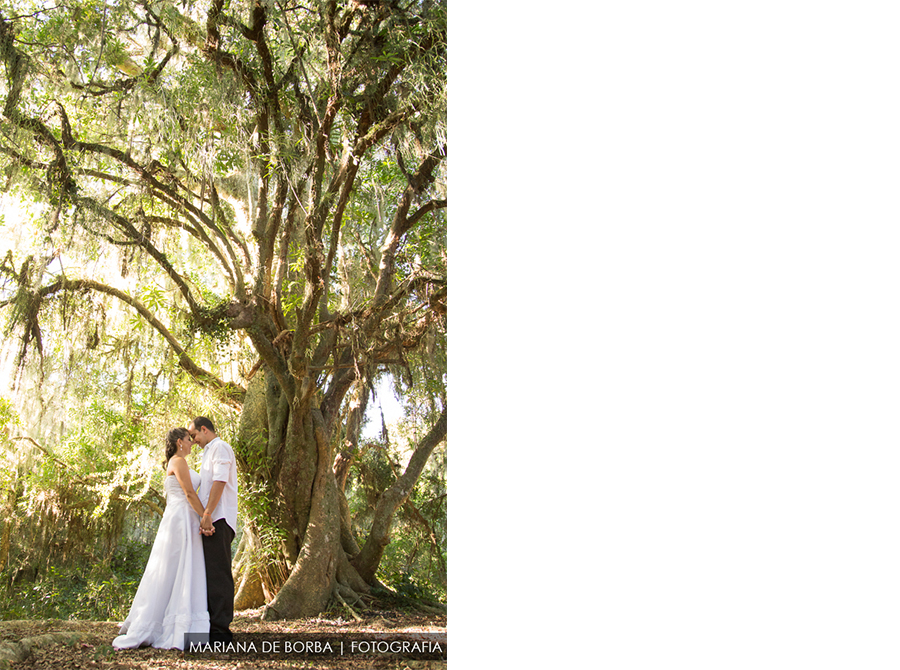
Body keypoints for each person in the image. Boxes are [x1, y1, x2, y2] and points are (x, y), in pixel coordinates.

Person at [113, 428, 209, 650]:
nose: (192, 442)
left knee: (179, 569)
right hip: (181, 519)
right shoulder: (178, 461)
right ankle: (165, 627)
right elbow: (189, 494)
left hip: (182, 517)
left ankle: (177, 624)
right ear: (179, 442)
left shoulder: (176, 462)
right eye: (188, 439)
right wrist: (206, 517)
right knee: (174, 568)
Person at [188, 416, 238, 644]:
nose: (193, 440)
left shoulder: (221, 448)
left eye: (194, 435)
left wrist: (207, 514)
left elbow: (220, 481)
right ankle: (210, 628)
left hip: (219, 518)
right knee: (209, 575)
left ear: (204, 429)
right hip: (210, 520)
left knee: (219, 576)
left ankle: (221, 632)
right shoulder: (208, 452)